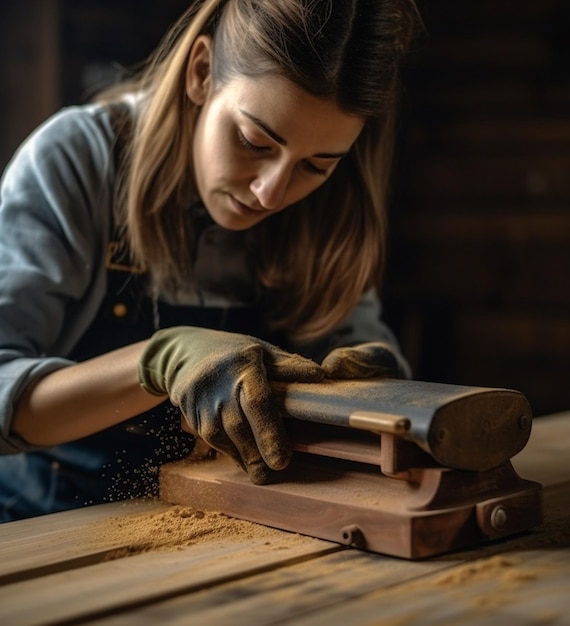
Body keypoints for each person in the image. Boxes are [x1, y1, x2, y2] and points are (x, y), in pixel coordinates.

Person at [0, 0, 420, 522]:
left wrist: (375, 395)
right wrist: (157, 362)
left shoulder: (329, 208)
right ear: (201, 74)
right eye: (252, 141)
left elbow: (366, 370)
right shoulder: (77, 161)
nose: (271, 193)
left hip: (231, 529)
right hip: (44, 522)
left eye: (315, 166)